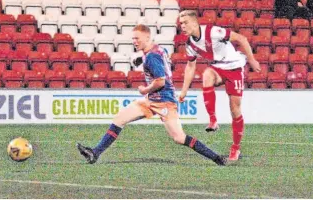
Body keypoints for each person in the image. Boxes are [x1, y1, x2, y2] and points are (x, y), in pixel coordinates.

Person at [76, 25, 227, 166]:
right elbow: (161, 60)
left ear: (147, 38)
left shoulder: (151, 57)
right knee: (119, 119)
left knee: (179, 138)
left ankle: (216, 157)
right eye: (133, 38)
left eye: (137, 38)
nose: (134, 41)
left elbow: (160, 82)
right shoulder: (158, 50)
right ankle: (95, 153)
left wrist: (144, 90)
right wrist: (141, 61)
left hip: (164, 102)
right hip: (151, 100)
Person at [177, 10, 261, 161]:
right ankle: (213, 120)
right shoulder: (189, 44)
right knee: (207, 75)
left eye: (185, 23)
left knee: (235, 110)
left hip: (234, 68)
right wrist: (183, 91)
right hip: (217, 68)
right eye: (181, 23)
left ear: (195, 23)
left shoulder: (213, 32)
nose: (182, 26)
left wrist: (252, 60)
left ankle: (235, 148)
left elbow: (241, 38)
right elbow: (190, 67)